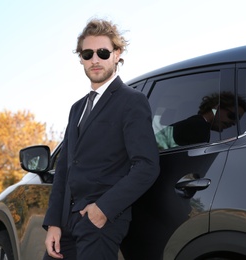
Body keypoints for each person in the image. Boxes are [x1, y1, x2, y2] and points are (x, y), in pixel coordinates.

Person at [42, 18, 160, 260]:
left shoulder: (131, 101)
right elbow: (64, 169)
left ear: (117, 54)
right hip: (66, 224)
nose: (95, 60)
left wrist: (103, 209)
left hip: (100, 222)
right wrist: (54, 223)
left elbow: (147, 166)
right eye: (88, 54)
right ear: (82, 59)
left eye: (103, 52)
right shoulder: (76, 108)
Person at [172, 92, 246, 146]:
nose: (233, 123)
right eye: (233, 116)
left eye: (237, 120)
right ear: (217, 108)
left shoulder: (195, 124)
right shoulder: (198, 126)